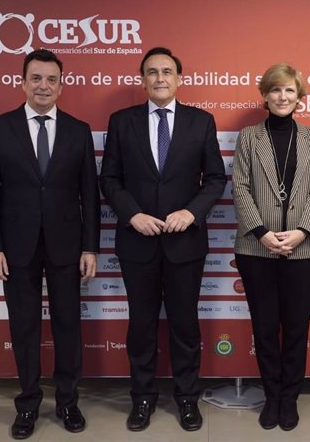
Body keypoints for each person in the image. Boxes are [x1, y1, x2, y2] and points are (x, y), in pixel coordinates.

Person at [99, 47, 226, 432]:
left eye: (167, 71)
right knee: (141, 325)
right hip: (137, 242)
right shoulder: (122, 122)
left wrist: (191, 212)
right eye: (151, 72)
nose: (159, 78)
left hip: (184, 243)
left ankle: (187, 399)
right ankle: (142, 399)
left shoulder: (201, 122)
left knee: (185, 325)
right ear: (142, 80)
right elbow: (109, 179)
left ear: (179, 78)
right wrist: (132, 214)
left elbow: (216, 178)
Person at [0, 49, 100, 440]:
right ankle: (28, 405)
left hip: (67, 246)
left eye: (51, 79)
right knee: (24, 328)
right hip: (16, 248)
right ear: (23, 81)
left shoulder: (78, 130)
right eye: (36, 78)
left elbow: (90, 197)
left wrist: (90, 247)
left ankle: (68, 402)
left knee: (67, 327)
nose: (43, 86)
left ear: (61, 85)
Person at [232, 63, 310, 431]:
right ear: (265, 96)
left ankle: (290, 399)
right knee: (266, 327)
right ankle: (271, 398)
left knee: (297, 328)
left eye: (289, 91)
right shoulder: (248, 137)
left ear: (299, 97)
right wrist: (261, 232)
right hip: (257, 249)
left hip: (302, 250)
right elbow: (239, 187)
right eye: (275, 90)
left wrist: (303, 231)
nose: (282, 97)